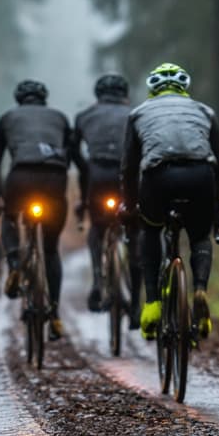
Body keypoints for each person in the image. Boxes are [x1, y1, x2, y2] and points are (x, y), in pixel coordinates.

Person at [121, 63, 219, 341]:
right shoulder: (205, 111)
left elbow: (130, 168)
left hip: (159, 178)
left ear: (152, 90)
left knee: (151, 228)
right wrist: (217, 205)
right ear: (184, 88)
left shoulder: (138, 113)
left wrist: (129, 205)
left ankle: (153, 304)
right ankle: (199, 289)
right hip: (200, 176)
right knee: (199, 236)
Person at [0, 79, 75, 339]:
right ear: (44, 99)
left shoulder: (7, 118)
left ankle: (14, 262)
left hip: (20, 178)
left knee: (10, 218)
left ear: (18, 100)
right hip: (54, 178)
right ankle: (55, 314)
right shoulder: (59, 117)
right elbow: (69, 156)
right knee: (50, 249)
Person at [72, 73, 133, 313]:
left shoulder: (84, 116)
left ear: (98, 95)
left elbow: (73, 150)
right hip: (125, 175)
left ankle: (98, 279)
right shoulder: (134, 114)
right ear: (124, 95)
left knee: (97, 227)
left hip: (97, 174)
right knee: (133, 226)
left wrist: (85, 168)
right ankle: (133, 284)